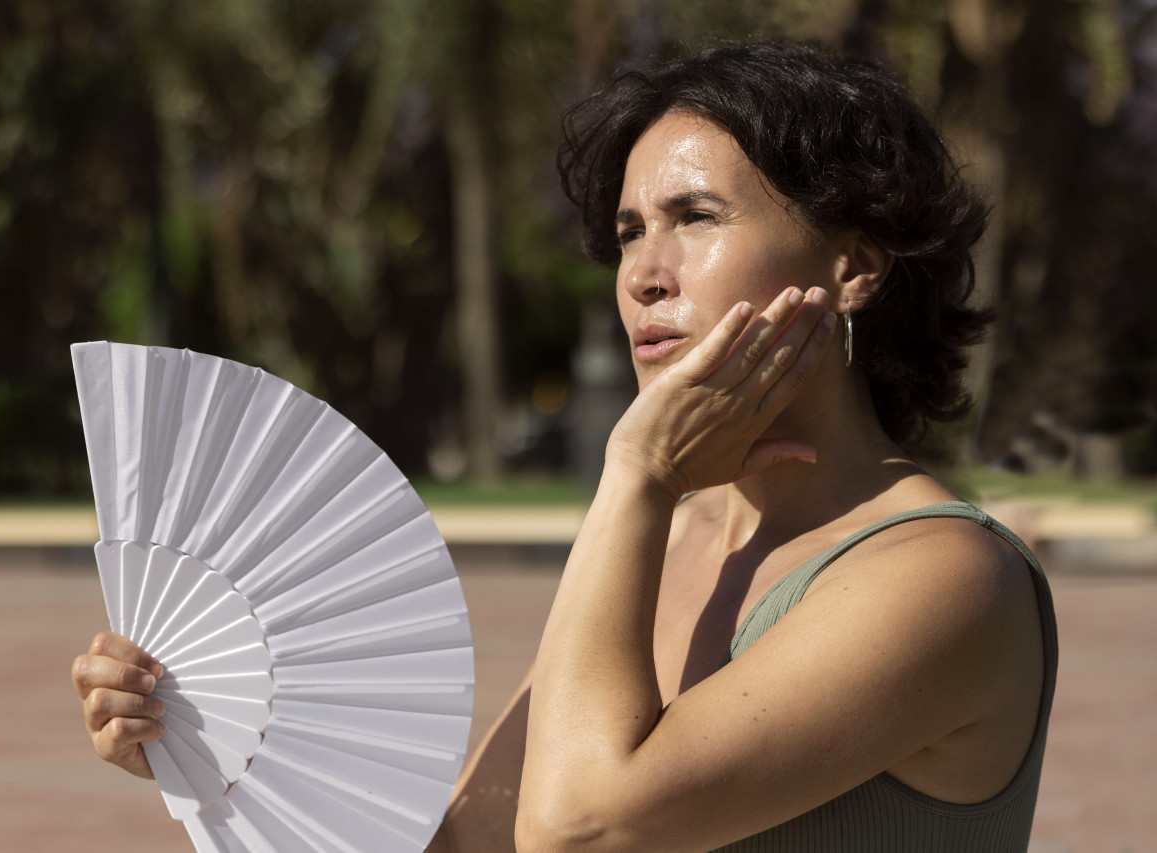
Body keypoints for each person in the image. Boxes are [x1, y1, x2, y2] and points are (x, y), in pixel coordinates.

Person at [72, 40, 1056, 853]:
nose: (641, 275)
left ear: (853, 266)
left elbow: (582, 825)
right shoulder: (668, 543)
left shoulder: (942, 575)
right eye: (628, 233)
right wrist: (211, 750)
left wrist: (634, 474)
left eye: (693, 218)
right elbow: (469, 843)